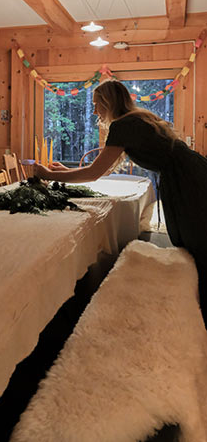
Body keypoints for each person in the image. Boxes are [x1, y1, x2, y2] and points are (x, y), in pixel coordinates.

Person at [35, 79, 207, 323]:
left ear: (108, 103)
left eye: (97, 105)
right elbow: (103, 169)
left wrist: (50, 175)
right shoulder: (136, 119)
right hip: (191, 171)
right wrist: (63, 170)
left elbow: (94, 174)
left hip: (186, 179)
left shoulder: (123, 126)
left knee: (197, 237)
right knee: (196, 236)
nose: (94, 111)